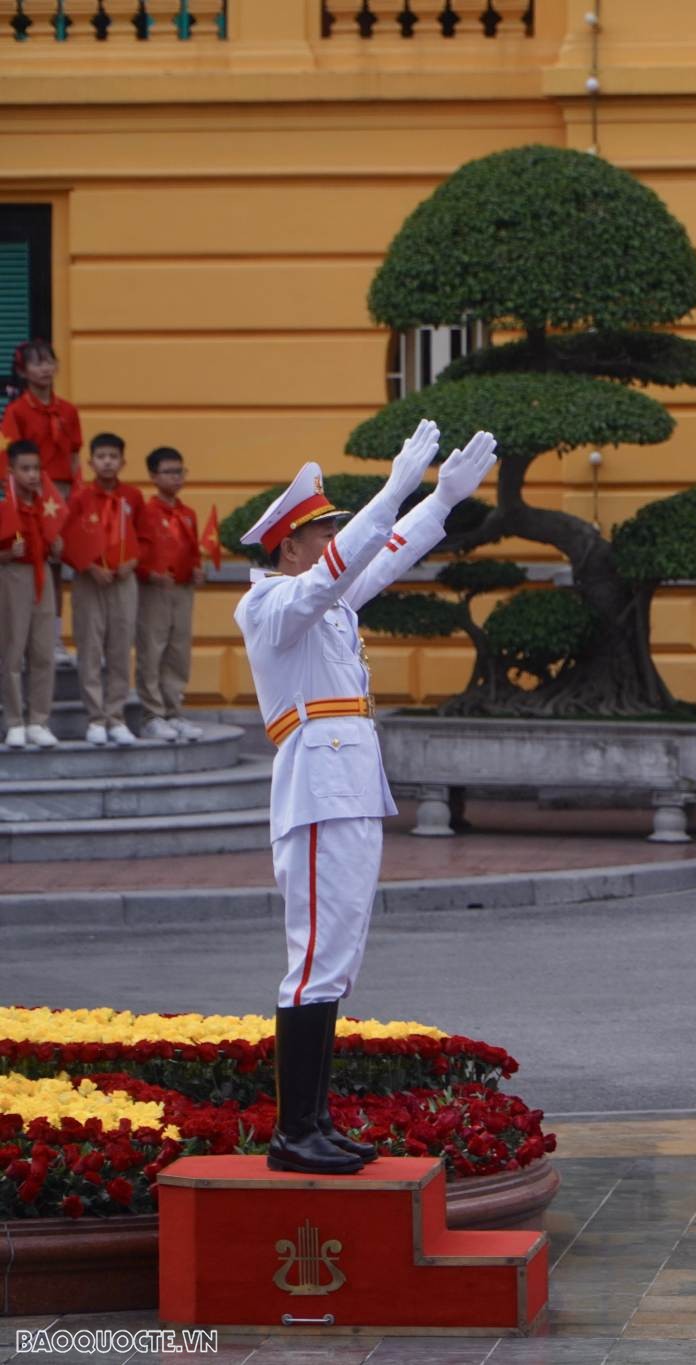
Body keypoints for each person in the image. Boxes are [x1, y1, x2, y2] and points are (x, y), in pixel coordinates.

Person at [234, 422, 498, 1174]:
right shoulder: (272, 605)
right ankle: (294, 1132)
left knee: (337, 955)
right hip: (316, 787)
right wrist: (392, 487)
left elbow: (383, 553)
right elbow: (338, 570)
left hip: (347, 784)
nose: (333, 541)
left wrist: (439, 499)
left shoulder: (327, 601)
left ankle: (313, 1120)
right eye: (323, 531)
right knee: (314, 954)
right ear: (290, 544)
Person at [61, 432, 143, 746]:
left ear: (122, 461)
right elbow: (67, 539)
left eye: (113, 456)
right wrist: (89, 567)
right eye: (101, 456)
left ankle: (116, 715)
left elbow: (144, 539)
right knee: (91, 647)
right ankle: (95, 718)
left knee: (120, 649)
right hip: (90, 580)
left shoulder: (132, 497)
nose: (107, 461)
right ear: (91, 461)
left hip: (123, 580)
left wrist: (132, 563)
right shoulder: (80, 497)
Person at [135, 445, 202, 742]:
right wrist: (148, 573)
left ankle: (174, 711)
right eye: (169, 472)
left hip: (183, 589)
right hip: (154, 589)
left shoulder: (187, 513)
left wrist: (199, 570)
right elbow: (137, 549)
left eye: (180, 472)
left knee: (178, 652)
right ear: (153, 475)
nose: (176, 478)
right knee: (153, 651)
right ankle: (152, 714)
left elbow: (191, 550)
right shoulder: (146, 512)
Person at [0, 441, 59, 748]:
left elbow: (56, 536)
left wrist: (58, 543)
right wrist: (6, 554)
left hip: (42, 575)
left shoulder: (46, 504)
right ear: (11, 470)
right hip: (13, 575)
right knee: (12, 650)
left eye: (36, 468)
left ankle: (39, 719)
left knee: (42, 651)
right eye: (25, 469)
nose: (33, 475)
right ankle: (14, 721)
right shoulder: (4, 503)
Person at [0, 340, 81, 501]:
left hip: (65, 492)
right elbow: (7, 456)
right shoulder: (16, 411)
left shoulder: (68, 410)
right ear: (22, 371)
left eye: (49, 363)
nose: (45, 369)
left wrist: (77, 491)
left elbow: (74, 455)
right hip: (32, 491)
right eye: (37, 364)